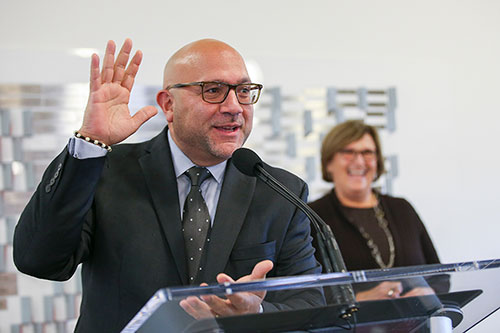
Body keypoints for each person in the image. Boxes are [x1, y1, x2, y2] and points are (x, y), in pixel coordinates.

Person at [13, 38, 324, 332]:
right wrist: (90, 145)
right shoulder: (107, 170)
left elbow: (312, 304)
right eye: (213, 90)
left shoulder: (280, 191)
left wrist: (254, 314)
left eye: (244, 91)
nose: (234, 106)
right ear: (168, 104)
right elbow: (39, 261)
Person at [308, 120, 448, 301]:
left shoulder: (402, 208)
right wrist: (360, 298)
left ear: (378, 161)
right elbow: (306, 290)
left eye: (367, 153)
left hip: (416, 323)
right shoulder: (313, 217)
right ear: (328, 163)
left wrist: (429, 292)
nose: (359, 161)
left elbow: (440, 275)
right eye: (348, 152)